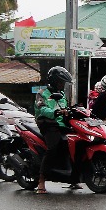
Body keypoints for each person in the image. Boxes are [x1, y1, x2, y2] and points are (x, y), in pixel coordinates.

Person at [34, 66, 73, 194]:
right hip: (48, 124)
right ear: (55, 81)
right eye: (61, 82)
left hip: (62, 125)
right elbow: (42, 109)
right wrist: (56, 112)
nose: (63, 85)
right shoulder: (42, 93)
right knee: (53, 148)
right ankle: (41, 179)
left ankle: (73, 177)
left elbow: (67, 108)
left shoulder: (62, 95)